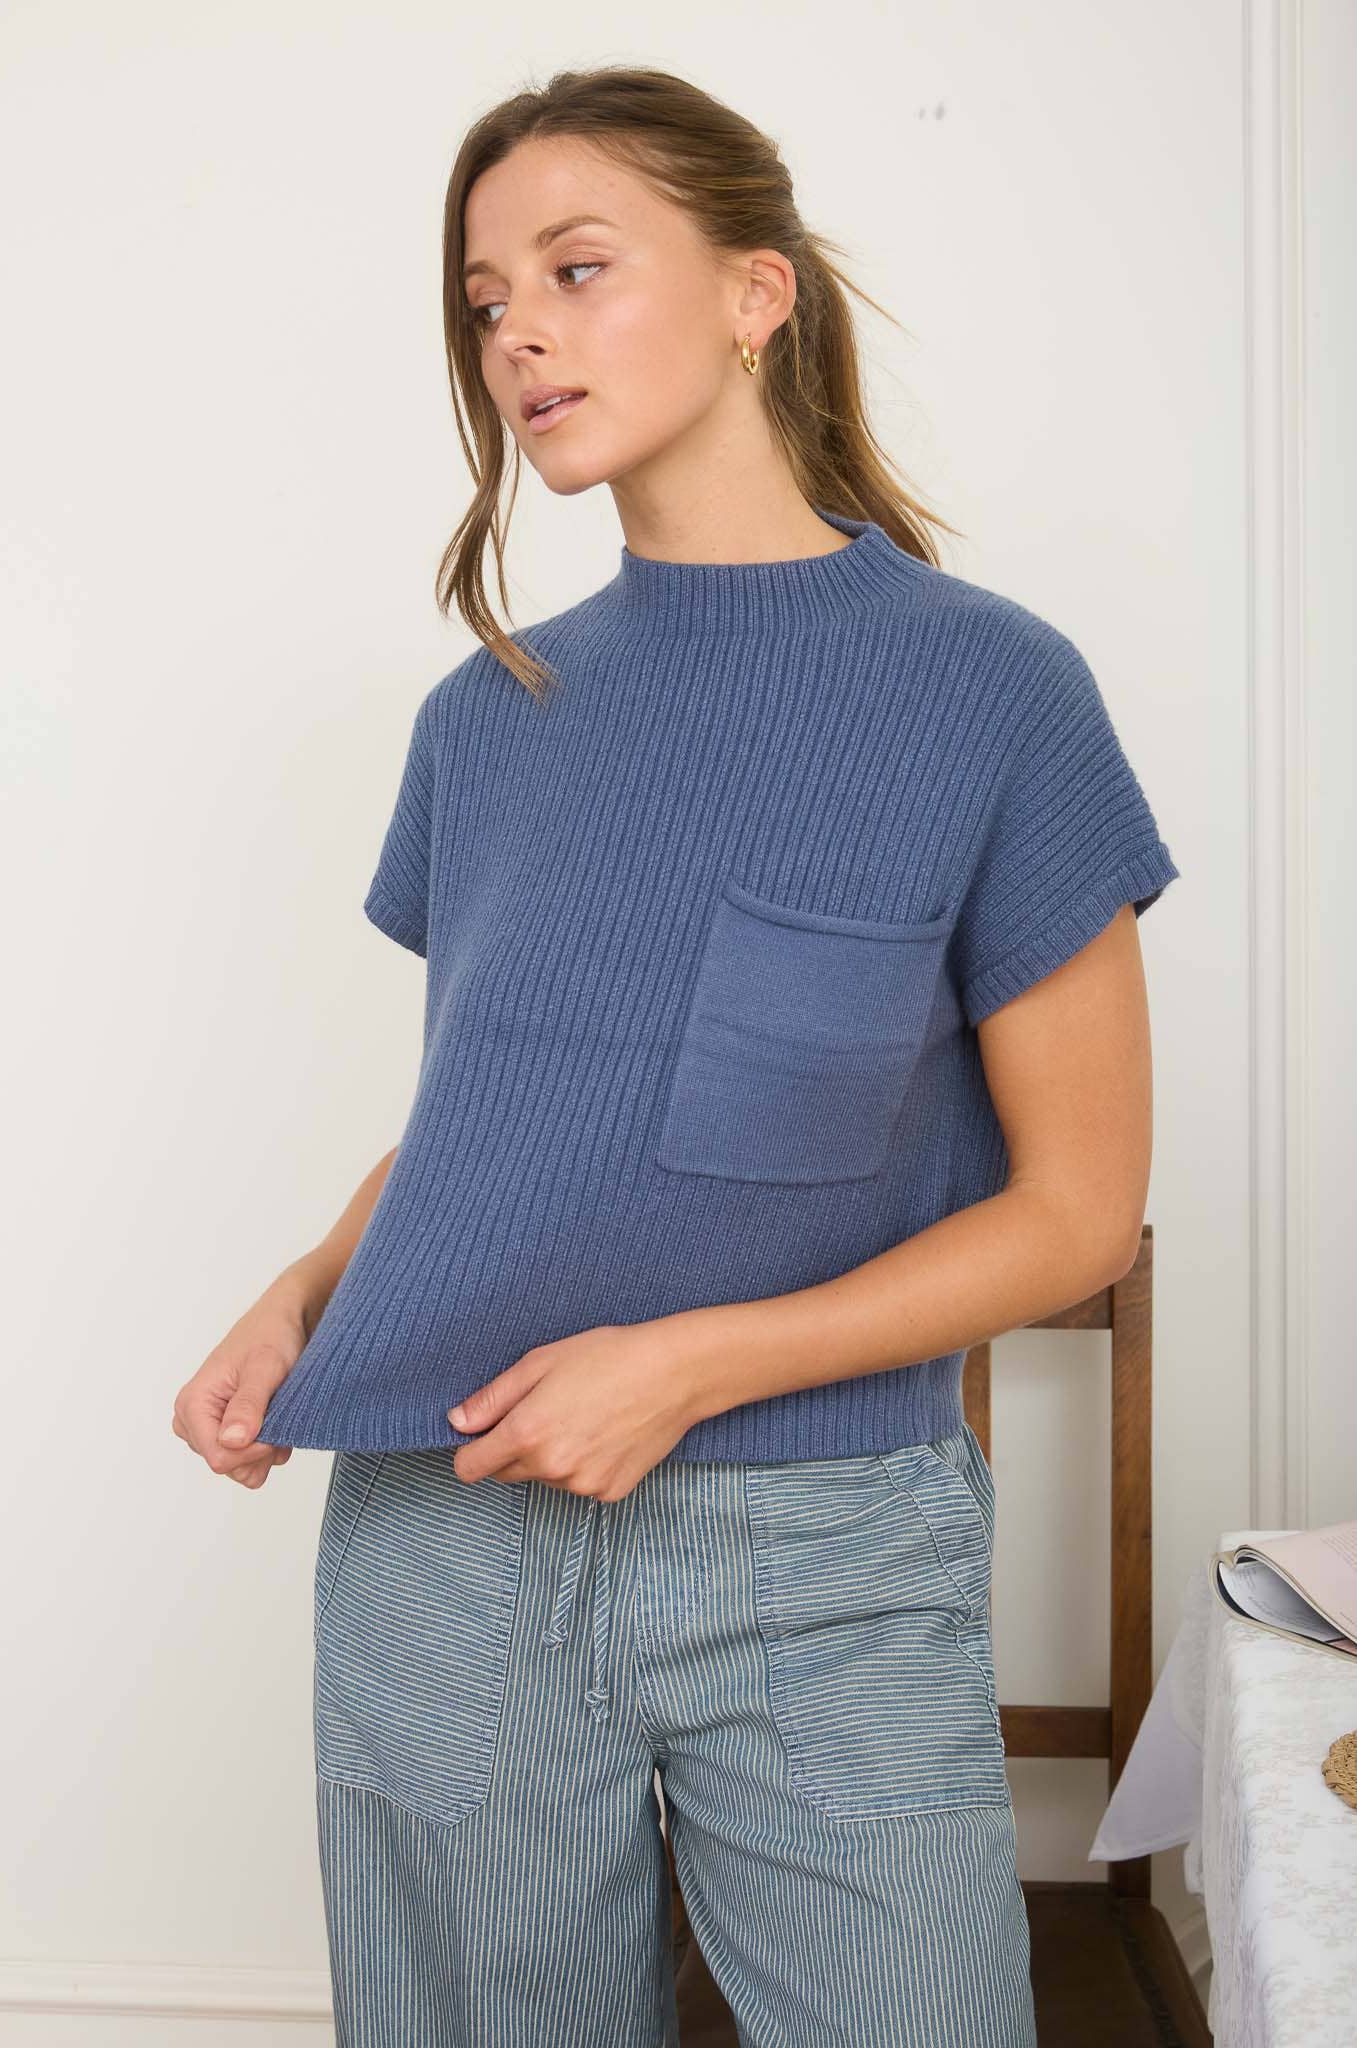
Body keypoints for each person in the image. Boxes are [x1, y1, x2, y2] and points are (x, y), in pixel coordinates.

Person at [172, 63, 1181, 2048]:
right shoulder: (488, 720)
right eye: (484, 300)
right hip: (447, 1526)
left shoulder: (990, 691)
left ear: (753, 292)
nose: (516, 335)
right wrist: (303, 1290)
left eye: (573, 269)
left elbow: (1076, 1213)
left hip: (825, 1534)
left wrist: (690, 1363)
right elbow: (496, 1124)